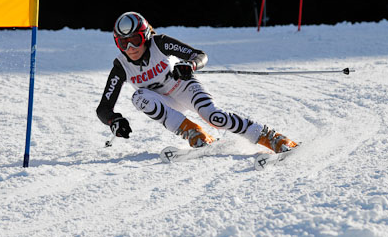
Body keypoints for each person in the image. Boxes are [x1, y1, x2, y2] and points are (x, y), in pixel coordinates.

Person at [96, 12, 297, 153]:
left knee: (215, 117)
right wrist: (114, 120)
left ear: (146, 36)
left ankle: (270, 137)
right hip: (165, 102)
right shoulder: (121, 66)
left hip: (183, 87)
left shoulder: (160, 43)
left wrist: (190, 65)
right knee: (139, 97)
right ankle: (193, 132)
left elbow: (199, 55)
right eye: (123, 43)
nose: (130, 47)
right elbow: (103, 108)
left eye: (136, 40)